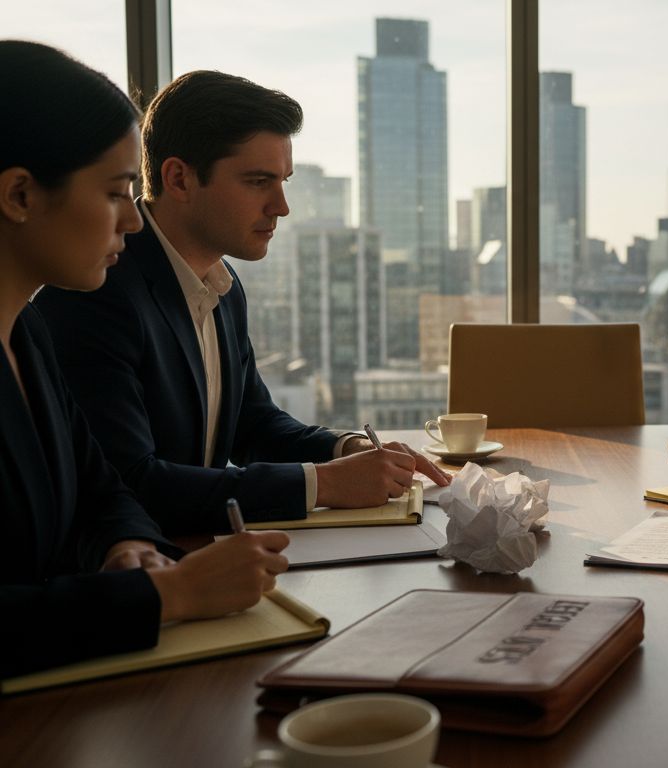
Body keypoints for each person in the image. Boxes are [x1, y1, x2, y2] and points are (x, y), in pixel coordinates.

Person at [34, 69, 449, 535]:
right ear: (179, 179)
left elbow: (252, 424)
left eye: (284, 180)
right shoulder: (98, 294)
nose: (282, 206)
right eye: (258, 182)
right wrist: (322, 485)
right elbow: (132, 483)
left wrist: (345, 448)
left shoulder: (221, 283)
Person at [0, 41, 291, 678]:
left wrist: (127, 544)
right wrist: (169, 593)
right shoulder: (77, 312)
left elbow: (102, 489)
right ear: (20, 194)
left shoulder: (25, 334)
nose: (133, 221)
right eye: (115, 192)